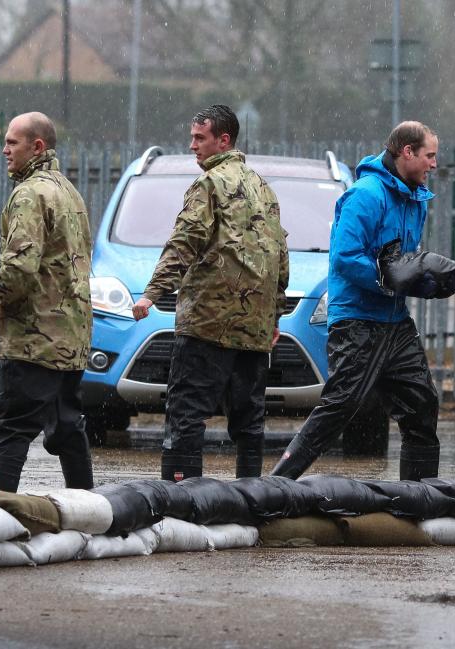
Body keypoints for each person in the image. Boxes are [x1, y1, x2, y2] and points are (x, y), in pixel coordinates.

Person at [270, 121, 444, 481]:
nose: (434, 164)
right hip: (356, 320)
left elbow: (402, 262)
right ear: (407, 153)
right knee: (342, 404)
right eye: (429, 155)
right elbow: (346, 258)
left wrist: (428, 281)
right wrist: (390, 281)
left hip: (394, 322)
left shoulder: (416, 200)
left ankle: (422, 497)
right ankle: (275, 485)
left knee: (421, 406)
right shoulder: (365, 195)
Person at [132, 104, 288, 482]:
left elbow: (184, 242)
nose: (192, 146)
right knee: (250, 423)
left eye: (200, 138)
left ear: (224, 140)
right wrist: (274, 317)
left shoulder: (209, 185)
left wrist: (152, 293)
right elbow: (279, 255)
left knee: (186, 415)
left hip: (208, 325)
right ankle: (251, 500)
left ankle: (180, 501)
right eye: (192, 138)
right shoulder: (262, 187)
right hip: (253, 329)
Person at [0, 112, 94, 492]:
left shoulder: (30, 194)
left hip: (35, 340)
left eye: (12, 142)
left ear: (37, 146)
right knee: (67, 428)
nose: (4, 149)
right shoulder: (68, 191)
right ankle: (89, 512)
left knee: (11, 429)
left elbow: (20, 270)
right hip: (70, 338)